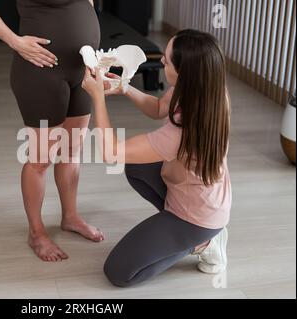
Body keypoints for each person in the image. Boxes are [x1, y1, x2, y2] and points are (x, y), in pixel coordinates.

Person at [82, 29, 232, 287]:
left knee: (117, 272)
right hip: (206, 197)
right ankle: (180, 230)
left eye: (166, 60)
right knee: (137, 167)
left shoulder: (179, 134)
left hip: (197, 218)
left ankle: (202, 243)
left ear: (184, 72)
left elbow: (110, 153)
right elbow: (159, 108)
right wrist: (124, 87)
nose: (161, 61)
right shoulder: (205, 90)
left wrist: (97, 99)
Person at [0, 0, 104, 262]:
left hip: (83, 68)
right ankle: (36, 232)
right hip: (41, 71)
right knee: (41, 159)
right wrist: (15, 41)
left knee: (72, 151)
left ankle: (71, 217)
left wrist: (95, 54)